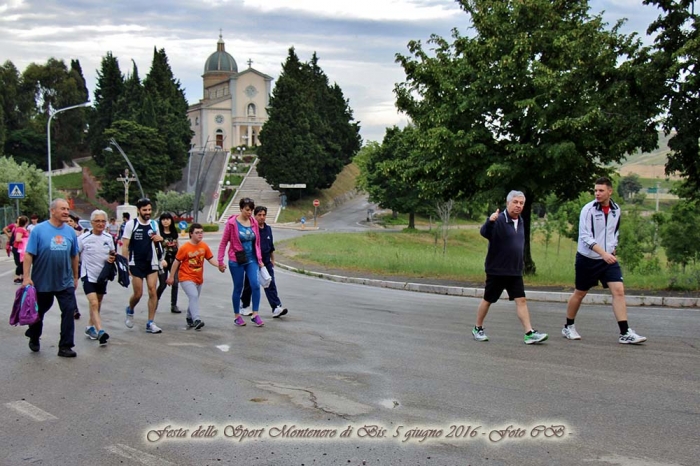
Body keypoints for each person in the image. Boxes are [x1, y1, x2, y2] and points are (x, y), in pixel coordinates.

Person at [562, 177, 647, 344]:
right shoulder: (588, 210)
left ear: (610, 191)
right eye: (595, 190)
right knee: (580, 293)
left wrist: (612, 248)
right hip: (588, 259)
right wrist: (603, 253)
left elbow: (614, 232)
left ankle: (625, 332)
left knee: (619, 291)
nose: (597, 193)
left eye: (601, 190)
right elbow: (585, 236)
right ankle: (568, 326)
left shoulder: (616, 210)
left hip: (608, 258)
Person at [472, 190, 548, 344]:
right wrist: (490, 221)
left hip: (515, 270)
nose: (518, 206)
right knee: (488, 300)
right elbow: (485, 232)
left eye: (521, 203)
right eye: (515, 202)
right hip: (497, 270)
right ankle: (477, 328)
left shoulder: (520, 221)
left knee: (521, 300)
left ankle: (529, 333)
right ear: (508, 203)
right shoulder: (499, 220)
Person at [22, 198, 80, 358]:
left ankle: (65, 346)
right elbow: (28, 255)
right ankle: (34, 335)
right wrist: (26, 277)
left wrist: (75, 277)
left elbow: (74, 255)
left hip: (65, 281)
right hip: (42, 282)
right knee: (39, 312)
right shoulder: (39, 230)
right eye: (63, 209)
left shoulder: (70, 232)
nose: (66, 212)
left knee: (69, 311)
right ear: (52, 211)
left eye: (67, 209)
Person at [218, 197, 265, 327]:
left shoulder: (253, 222)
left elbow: (257, 242)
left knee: (255, 285)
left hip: (251, 259)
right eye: (247, 210)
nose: (249, 213)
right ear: (241, 209)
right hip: (236, 259)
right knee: (238, 287)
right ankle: (237, 316)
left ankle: (255, 314)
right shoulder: (232, 223)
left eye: (251, 210)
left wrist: (259, 259)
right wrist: (220, 261)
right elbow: (223, 243)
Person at [167, 223, 222, 330]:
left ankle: (189, 317)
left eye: (201, 232)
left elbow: (210, 258)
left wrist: (219, 265)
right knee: (193, 296)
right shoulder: (185, 248)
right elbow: (176, 263)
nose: (200, 235)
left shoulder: (204, 246)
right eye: (197, 233)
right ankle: (196, 319)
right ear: (191, 234)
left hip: (198, 278)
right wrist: (171, 277)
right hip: (185, 277)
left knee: (194, 298)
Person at [121, 198, 164, 333]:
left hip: (151, 262)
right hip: (136, 263)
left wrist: (160, 239)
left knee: (152, 290)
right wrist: (125, 264)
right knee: (138, 293)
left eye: (149, 210)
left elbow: (159, 240)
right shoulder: (131, 224)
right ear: (139, 210)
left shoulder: (154, 225)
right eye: (145, 210)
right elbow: (125, 245)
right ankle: (130, 309)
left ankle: (150, 322)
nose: (147, 212)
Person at [240, 206, 288, 318]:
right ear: (255, 216)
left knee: (270, 283)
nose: (262, 217)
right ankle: (244, 305)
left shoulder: (268, 229)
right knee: (250, 285)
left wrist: (273, 259)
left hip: (266, 262)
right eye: (259, 215)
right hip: (252, 261)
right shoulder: (251, 229)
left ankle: (276, 307)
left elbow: (270, 245)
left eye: (264, 215)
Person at [79, 210, 116, 346]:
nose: (100, 224)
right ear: (92, 223)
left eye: (102, 221)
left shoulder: (108, 238)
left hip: (102, 276)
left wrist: (112, 258)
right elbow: (76, 256)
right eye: (97, 221)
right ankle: (100, 331)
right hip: (88, 275)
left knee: (98, 303)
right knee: (94, 303)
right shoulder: (83, 238)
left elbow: (112, 253)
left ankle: (90, 327)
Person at [156, 212, 181, 314]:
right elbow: (156, 248)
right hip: (163, 261)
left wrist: (180, 258)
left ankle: (173, 305)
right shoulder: (158, 234)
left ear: (171, 221)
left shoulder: (174, 233)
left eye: (168, 219)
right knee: (163, 284)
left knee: (175, 282)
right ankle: (154, 301)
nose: (165, 221)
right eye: (163, 219)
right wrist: (160, 260)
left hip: (174, 261)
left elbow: (177, 246)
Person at [8, 216, 28, 284]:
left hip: (21, 248)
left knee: (22, 263)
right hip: (18, 249)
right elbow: (18, 239)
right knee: (20, 264)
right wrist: (25, 240)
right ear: (26, 222)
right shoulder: (20, 229)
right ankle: (17, 277)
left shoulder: (22, 229)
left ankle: (21, 277)